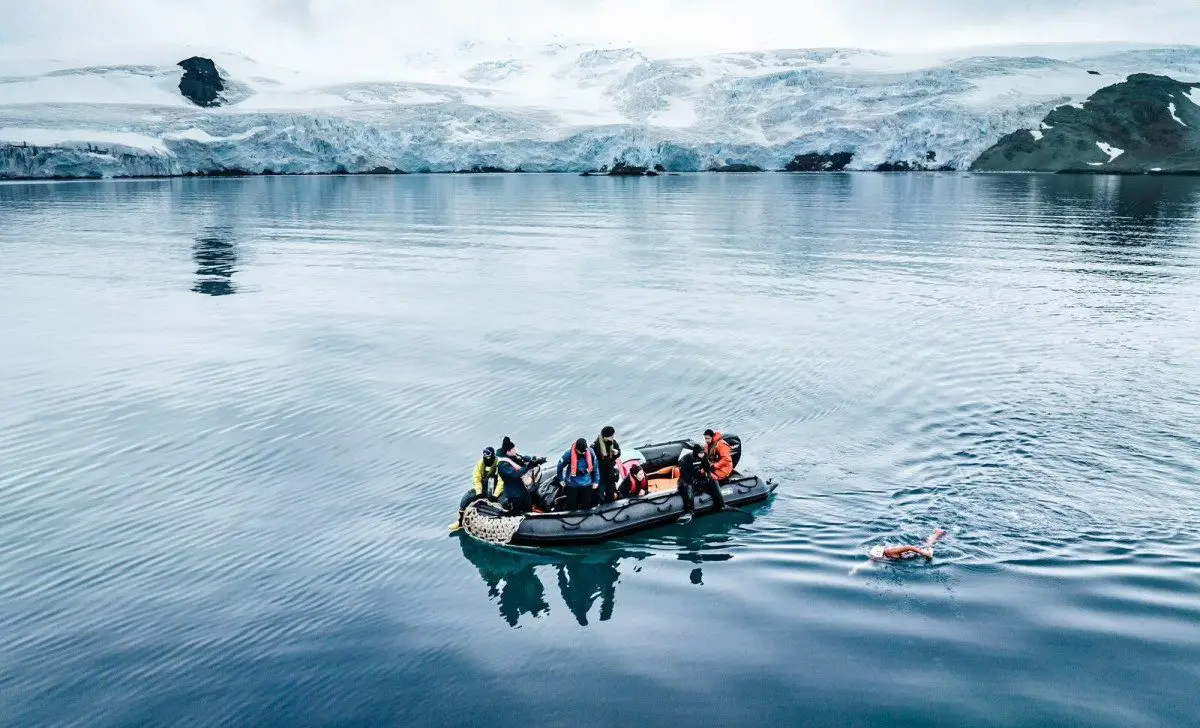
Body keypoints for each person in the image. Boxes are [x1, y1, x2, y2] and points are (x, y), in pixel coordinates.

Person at [850, 529, 947, 575]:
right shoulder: (877, 557)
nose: (876, 559)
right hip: (906, 555)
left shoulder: (890, 552)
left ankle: (938, 533)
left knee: (927, 545)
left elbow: (910, 547)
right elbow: (870, 562)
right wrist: (857, 568)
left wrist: (925, 554)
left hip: (912, 552)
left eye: (877, 557)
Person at [676, 439, 726, 524]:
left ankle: (721, 504)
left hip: (699, 479)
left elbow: (707, 469)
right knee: (689, 486)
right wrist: (693, 481)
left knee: (713, 480)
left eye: (703, 452)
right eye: (700, 453)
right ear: (696, 452)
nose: (702, 454)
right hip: (686, 480)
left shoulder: (704, 457)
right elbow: (684, 475)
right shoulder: (685, 460)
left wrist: (707, 477)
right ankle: (689, 511)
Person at [496, 436, 545, 514]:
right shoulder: (503, 465)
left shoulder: (513, 456)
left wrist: (536, 461)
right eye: (513, 449)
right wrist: (528, 467)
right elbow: (516, 475)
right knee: (517, 512)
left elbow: (524, 458)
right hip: (514, 493)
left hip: (523, 489)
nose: (515, 450)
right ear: (508, 451)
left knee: (528, 506)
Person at [456, 446, 500, 526]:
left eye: (488, 454)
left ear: (492, 455)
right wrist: (479, 492)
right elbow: (476, 478)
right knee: (467, 496)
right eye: (484, 453)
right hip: (484, 488)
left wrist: (495, 495)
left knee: (504, 502)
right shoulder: (480, 463)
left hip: (497, 490)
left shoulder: (499, 464)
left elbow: (501, 482)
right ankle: (460, 521)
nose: (485, 456)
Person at [557, 437, 601, 511]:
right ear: (576, 449)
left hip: (586, 483)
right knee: (571, 504)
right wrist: (560, 479)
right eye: (581, 451)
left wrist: (596, 481)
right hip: (572, 483)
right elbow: (559, 466)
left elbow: (596, 468)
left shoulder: (591, 452)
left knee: (586, 503)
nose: (583, 453)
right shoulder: (568, 454)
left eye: (584, 451)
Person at [592, 425, 622, 503]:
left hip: (610, 471)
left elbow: (619, 452)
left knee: (611, 492)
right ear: (605, 437)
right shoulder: (595, 446)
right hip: (600, 473)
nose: (612, 437)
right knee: (600, 493)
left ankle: (611, 503)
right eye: (611, 436)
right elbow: (594, 461)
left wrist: (617, 452)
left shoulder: (613, 442)